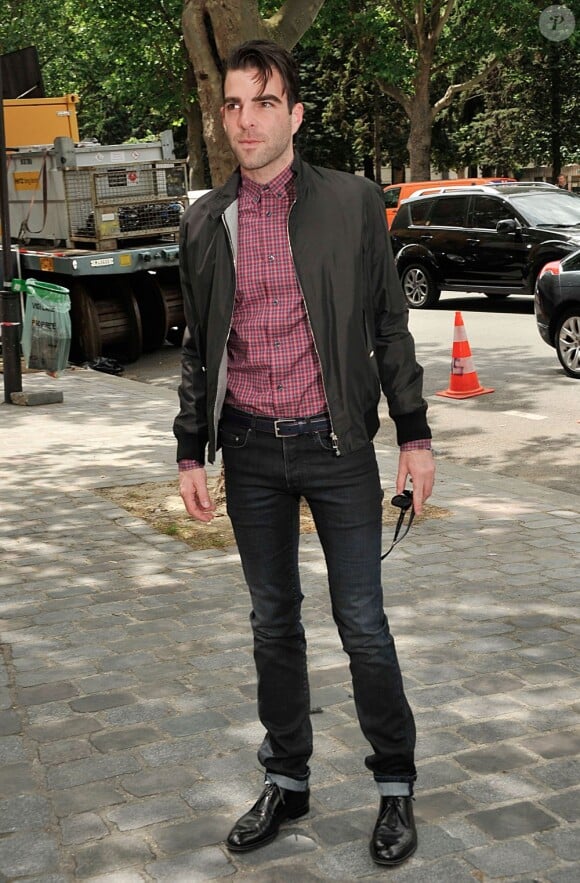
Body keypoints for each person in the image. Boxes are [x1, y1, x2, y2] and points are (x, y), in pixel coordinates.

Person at [173, 39, 435, 868]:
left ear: (294, 113)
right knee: (272, 624)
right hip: (248, 449)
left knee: (362, 624)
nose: (248, 120)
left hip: (338, 446)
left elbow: (391, 325)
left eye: (264, 102)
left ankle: (394, 786)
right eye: (234, 105)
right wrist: (190, 449)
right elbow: (196, 347)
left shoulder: (355, 203)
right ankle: (286, 778)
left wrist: (417, 434)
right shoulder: (204, 220)